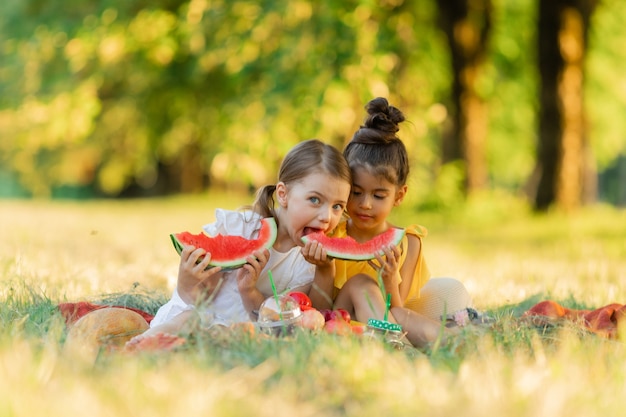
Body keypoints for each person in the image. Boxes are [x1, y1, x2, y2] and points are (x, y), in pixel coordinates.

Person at [127, 139, 352, 345]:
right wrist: (187, 279)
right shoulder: (241, 228)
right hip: (201, 312)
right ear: (283, 194)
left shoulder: (307, 263)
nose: (327, 216)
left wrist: (249, 291)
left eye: (337, 206)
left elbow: (299, 319)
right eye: (315, 200)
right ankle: (144, 343)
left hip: (246, 330)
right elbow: (198, 298)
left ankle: (175, 347)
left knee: (244, 336)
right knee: (189, 320)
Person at [307, 97, 476, 349]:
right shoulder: (331, 231)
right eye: (356, 192)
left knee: (401, 315)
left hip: (387, 322)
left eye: (378, 195)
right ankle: (399, 348)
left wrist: (390, 279)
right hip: (341, 324)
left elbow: (397, 308)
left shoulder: (409, 242)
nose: (365, 204)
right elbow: (319, 313)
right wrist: (323, 268)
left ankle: (456, 343)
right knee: (360, 283)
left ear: (399, 195)